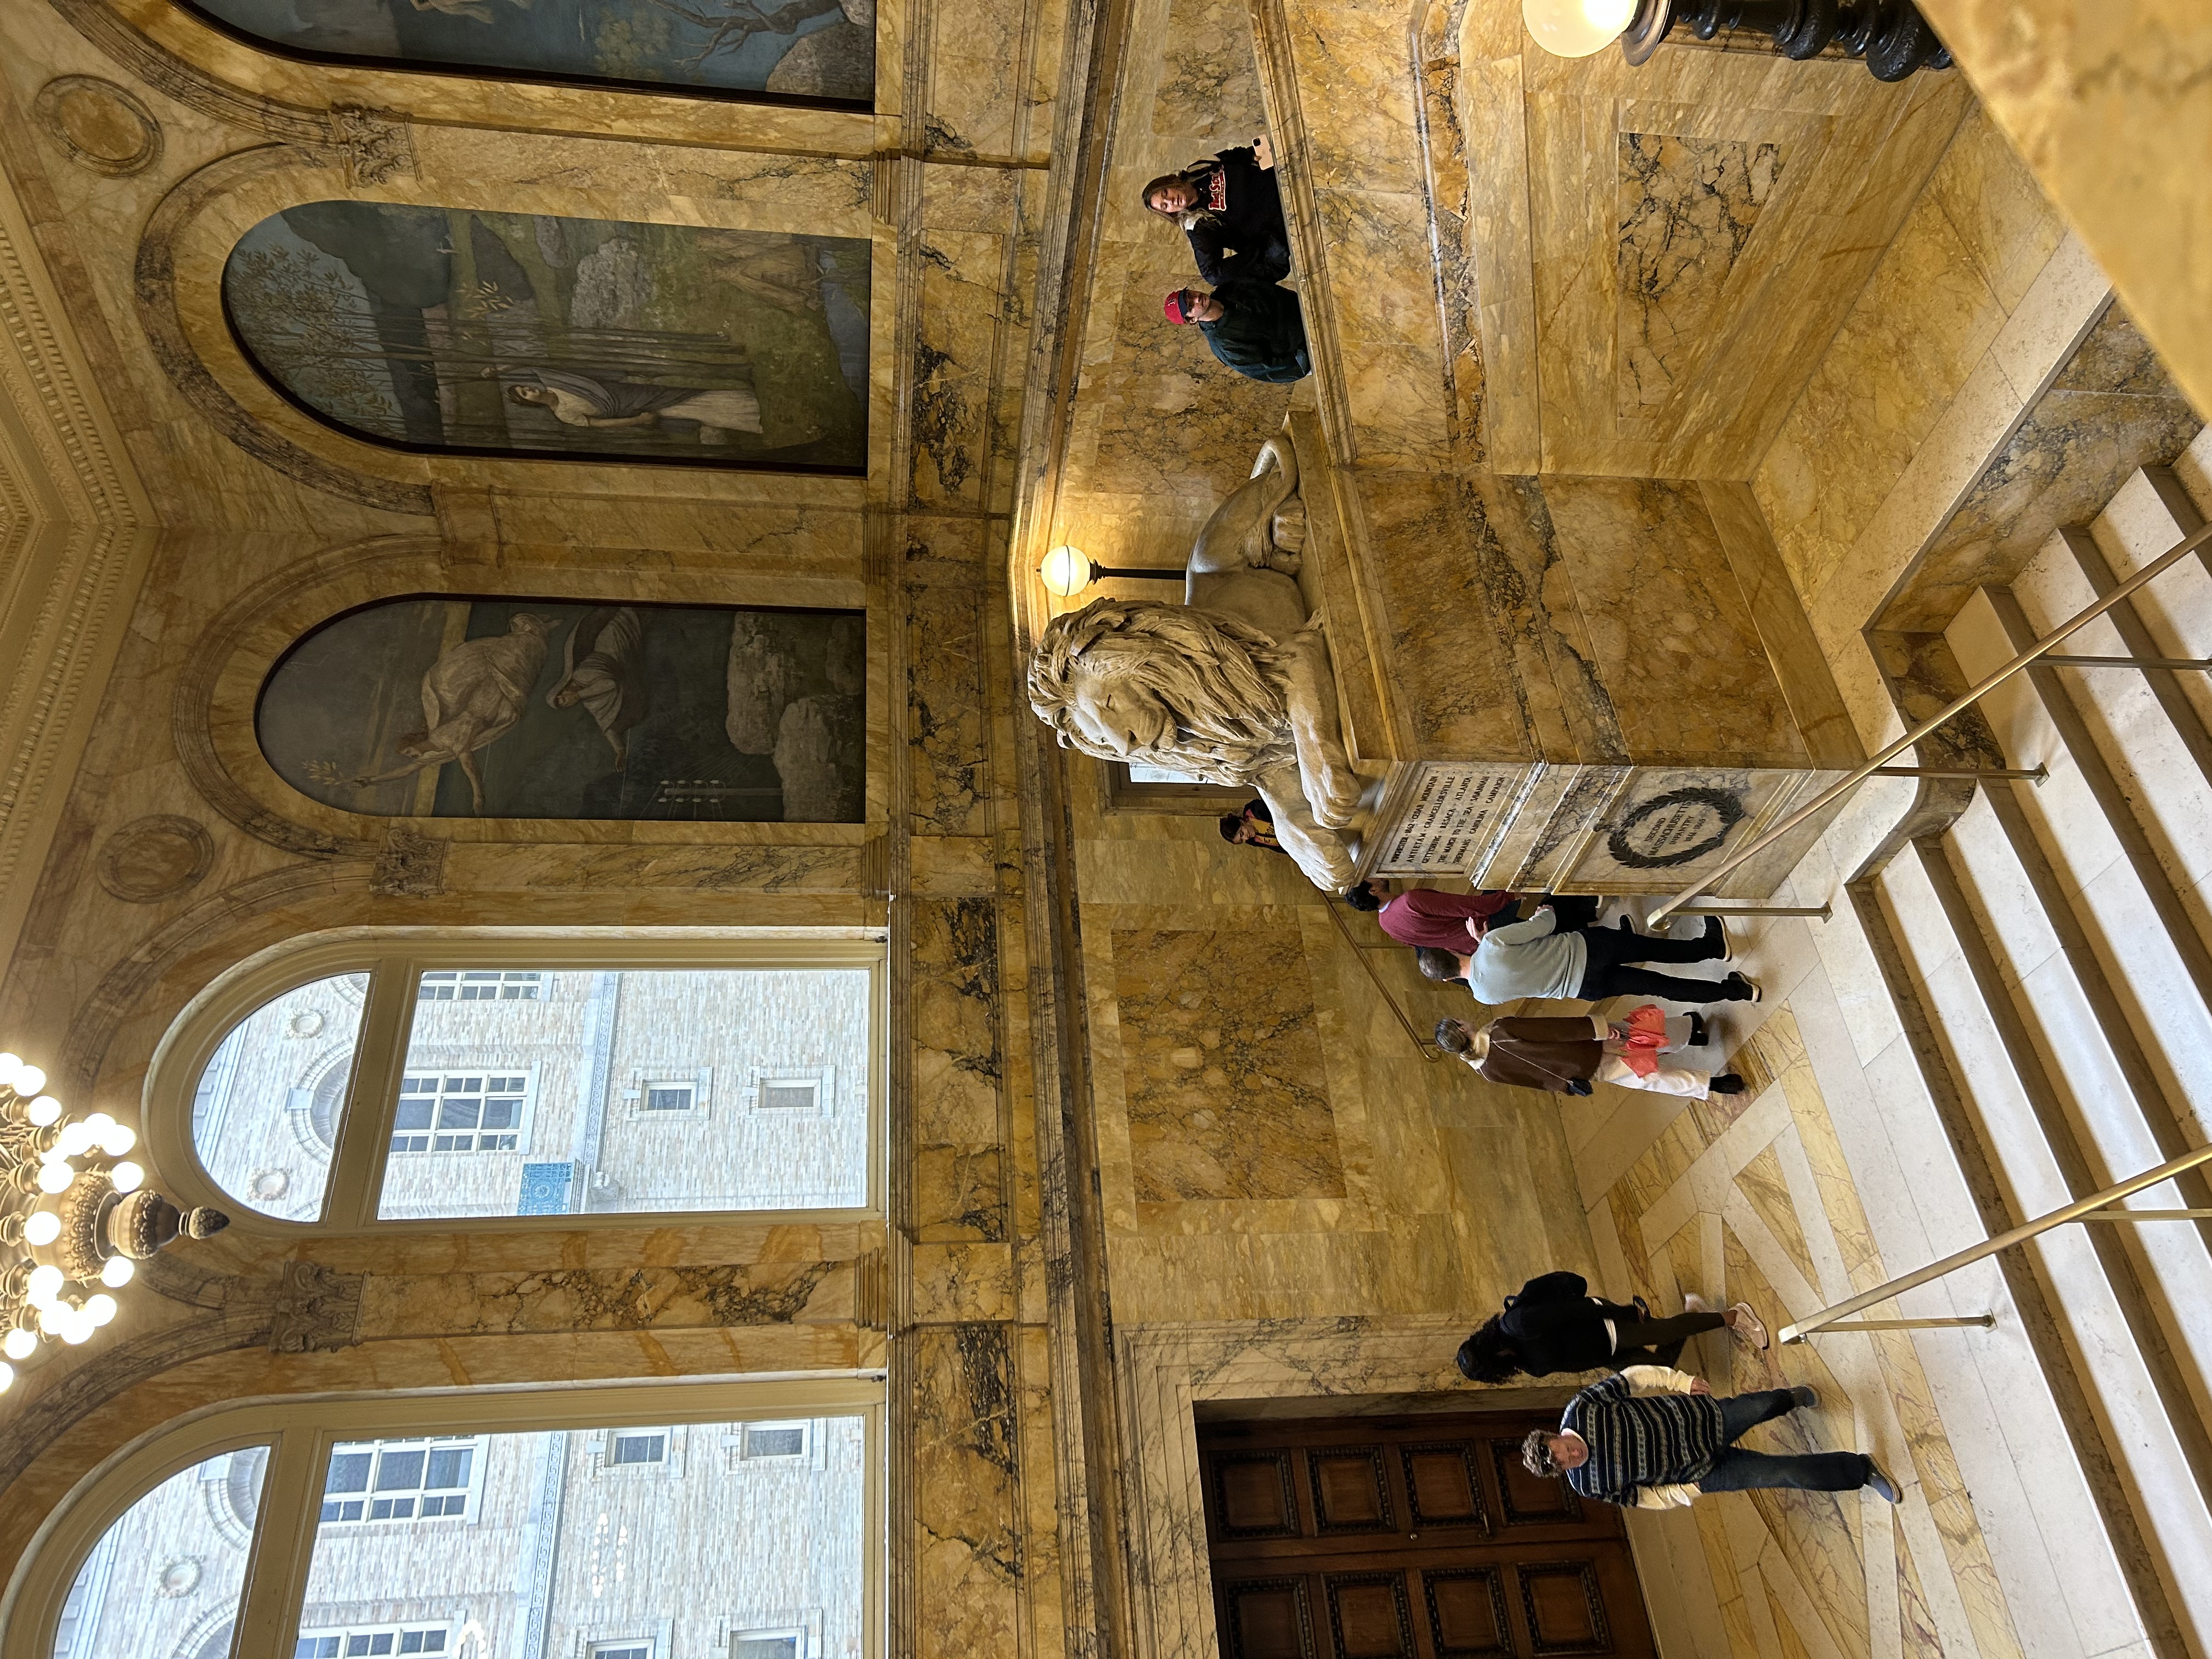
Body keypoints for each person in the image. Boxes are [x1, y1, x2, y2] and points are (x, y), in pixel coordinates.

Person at [1522, 1367, 1901, 1509]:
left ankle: (1792, 1398)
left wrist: (1679, 1381)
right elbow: (1642, 1497)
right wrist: (1686, 1493)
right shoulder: (1588, 1484)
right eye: (1567, 1463)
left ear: (1556, 1435)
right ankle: (1862, 1471)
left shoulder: (1581, 1409)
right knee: (1786, 1473)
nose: (1574, 1455)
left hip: (1701, 1421)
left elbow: (1632, 1379)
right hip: (1702, 1472)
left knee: (1763, 1406)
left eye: (1564, 1449)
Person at [1456, 1273, 1761, 1381]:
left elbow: (1572, 1311)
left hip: (1603, 1324)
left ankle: (1735, 1316)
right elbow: (1569, 1361)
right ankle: (1693, 1313)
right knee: (1662, 1366)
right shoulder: (1522, 1363)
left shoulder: (1518, 1324)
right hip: (1607, 1353)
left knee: (1664, 1332)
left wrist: (1623, 1312)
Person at [1458, 906, 1759, 1006]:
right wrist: (1544, 911)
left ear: (1448, 978)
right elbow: (1545, 925)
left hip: (1584, 988)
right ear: (1451, 950)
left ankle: (1738, 992)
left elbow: (1509, 971)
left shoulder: (1483, 997)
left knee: (1661, 987)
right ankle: (1713, 947)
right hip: (1589, 950)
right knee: (1657, 950)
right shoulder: (1493, 944)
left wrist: (1486, 944)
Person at [1435, 1009, 1745, 1099]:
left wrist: (1567, 1086)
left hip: (1582, 1074)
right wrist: (1597, 1029)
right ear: (1461, 1028)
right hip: (1588, 1045)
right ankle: (1692, 1030)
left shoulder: (1486, 1072)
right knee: (1645, 1034)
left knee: (1649, 1078)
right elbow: (1554, 1029)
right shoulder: (1500, 1030)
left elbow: (1536, 1082)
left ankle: (1714, 1085)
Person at [1142, 142, 1289, 289]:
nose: (1170, 201)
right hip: (1286, 216)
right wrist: (1258, 250)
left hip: (1283, 175)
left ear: (1170, 183)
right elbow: (1213, 275)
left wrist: (1251, 155)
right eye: (1165, 206)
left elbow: (1233, 155)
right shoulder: (1197, 224)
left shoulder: (1197, 170)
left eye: (1165, 193)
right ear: (1170, 213)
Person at [1164, 284, 1309, 383]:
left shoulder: (1227, 289)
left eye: (1190, 295)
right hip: (1307, 345)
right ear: (1192, 320)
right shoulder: (1223, 344)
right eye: (1191, 306)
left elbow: (1269, 289)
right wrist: (1306, 352)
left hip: (1306, 307)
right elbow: (1270, 366)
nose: (1197, 298)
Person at [1345, 879, 1522, 949]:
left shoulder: (1385, 923)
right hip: (1486, 925)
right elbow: (1469, 906)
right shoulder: (1410, 901)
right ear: (1373, 890)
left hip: (1476, 946)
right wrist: (1510, 895)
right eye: (1369, 877)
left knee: (1533, 929)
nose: (1375, 874)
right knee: (1511, 877)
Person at [1220, 797, 1285, 853]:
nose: (1246, 838)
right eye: (1242, 840)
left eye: (1242, 834)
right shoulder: (1252, 841)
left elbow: (1281, 806)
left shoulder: (1256, 810)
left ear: (1241, 822)